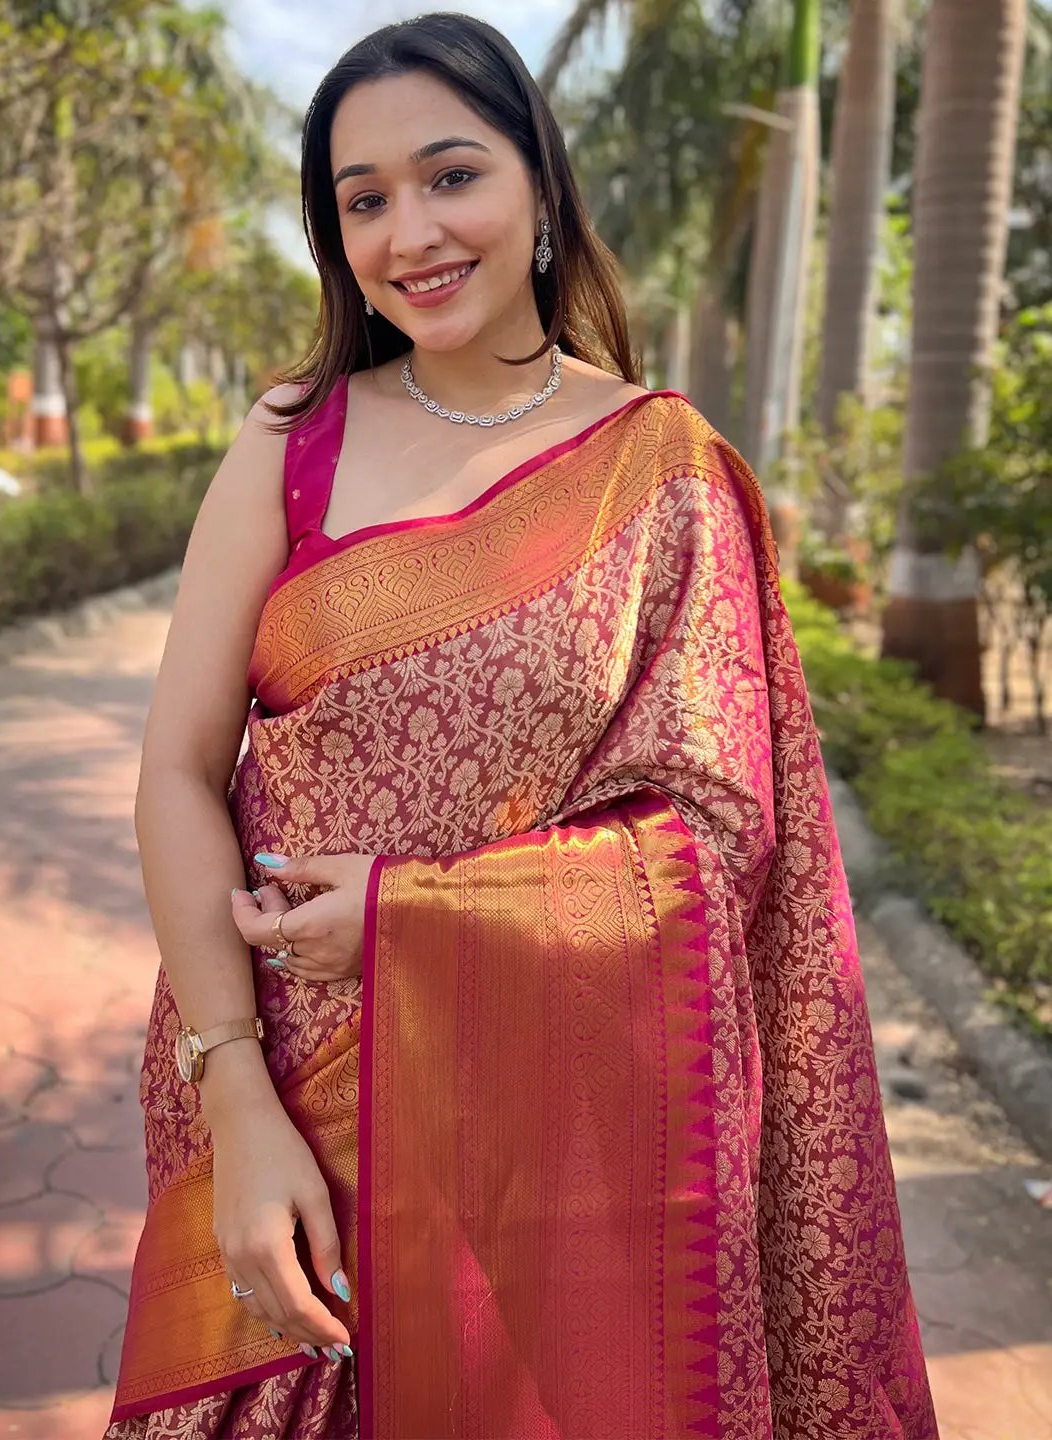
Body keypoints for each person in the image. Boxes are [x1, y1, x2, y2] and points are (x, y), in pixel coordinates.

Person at [105, 13, 938, 1439]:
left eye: (450, 176)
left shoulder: (659, 467)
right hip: (293, 1108)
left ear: (541, 190)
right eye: (362, 199)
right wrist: (237, 1100)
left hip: (555, 1132)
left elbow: (719, 838)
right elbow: (179, 776)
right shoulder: (291, 439)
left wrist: (413, 918)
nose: (409, 232)